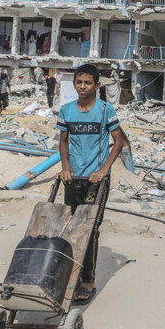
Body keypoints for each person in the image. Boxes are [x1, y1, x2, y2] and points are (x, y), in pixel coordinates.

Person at [57, 64, 125, 304]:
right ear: (74, 84)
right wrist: (65, 167)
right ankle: (68, 273)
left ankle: (87, 281)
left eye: (87, 83)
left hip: (96, 180)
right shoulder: (66, 111)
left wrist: (103, 170)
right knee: (70, 227)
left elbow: (118, 143)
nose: (82, 87)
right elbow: (63, 141)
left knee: (90, 229)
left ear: (97, 86)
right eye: (79, 82)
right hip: (72, 178)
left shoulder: (106, 110)